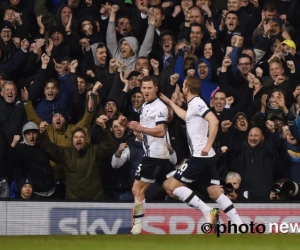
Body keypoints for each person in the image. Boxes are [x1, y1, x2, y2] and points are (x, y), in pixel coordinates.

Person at [160, 75, 244, 228]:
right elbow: (186, 116)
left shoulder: (198, 103)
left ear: (186, 88)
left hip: (200, 156)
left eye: (183, 85)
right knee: (215, 193)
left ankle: (207, 211)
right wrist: (170, 102)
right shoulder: (193, 104)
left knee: (172, 186)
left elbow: (214, 120)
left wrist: (207, 145)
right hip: (208, 157)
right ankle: (239, 225)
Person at [119, 75, 177, 234]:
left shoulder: (159, 107)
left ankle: (136, 228)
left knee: (137, 190)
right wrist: (130, 125)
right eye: (143, 87)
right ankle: (207, 209)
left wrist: (139, 128)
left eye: (148, 88)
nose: (145, 90)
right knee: (173, 190)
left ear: (156, 88)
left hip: (154, 155)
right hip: (156, 153)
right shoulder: (145, 106)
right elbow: (142, 133)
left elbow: (160, 131)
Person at [39, 116, 113, 200]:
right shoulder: (66, 153)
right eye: (76, 137)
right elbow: (49, 149)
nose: (79, 139)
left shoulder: (94, 151)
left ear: (86, 140)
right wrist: (42, 133)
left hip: (94, 199)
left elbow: (107, 146)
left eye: (81, 137)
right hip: (73, 201)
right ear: (72, 140)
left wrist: (104, 128)